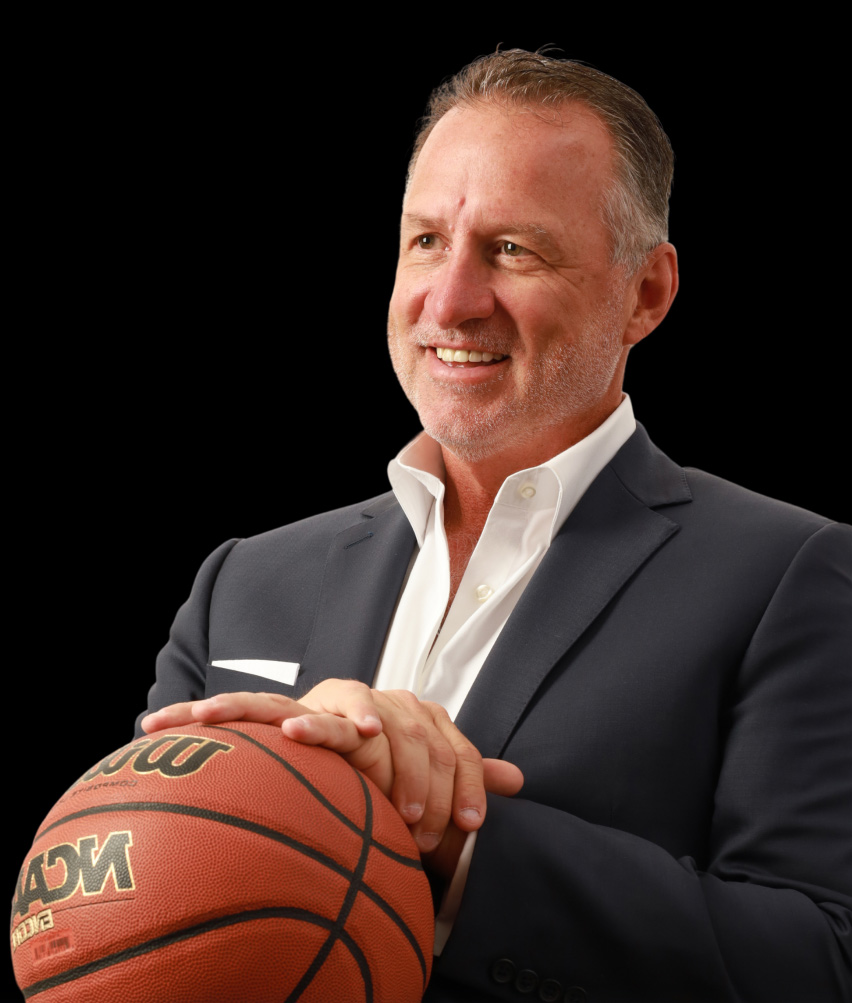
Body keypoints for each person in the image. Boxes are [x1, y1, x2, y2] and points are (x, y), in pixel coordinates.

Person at [139, 50, 852, 1002]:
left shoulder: (789, 577)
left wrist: (452, 835)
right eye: (427, 240)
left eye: (513, 249)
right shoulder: (245, 581)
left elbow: (818, 962)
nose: (450, 301)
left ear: (647, 292)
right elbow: (136, 886)